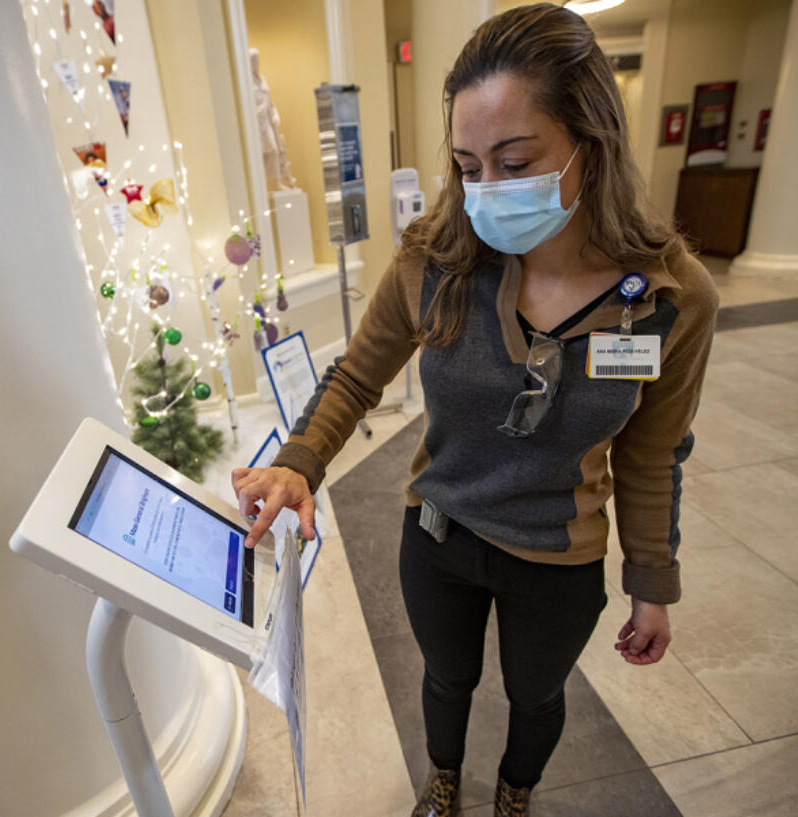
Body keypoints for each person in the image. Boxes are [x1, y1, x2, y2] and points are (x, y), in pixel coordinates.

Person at [230, 5, 718, 816]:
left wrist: (651, 579)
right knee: (444, 677)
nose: (486, 189)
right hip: (440, 536)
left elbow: (652, 453)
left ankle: (516, 794)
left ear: (590, 142)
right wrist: (298, 459)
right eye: (467, 164)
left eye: (514, 159)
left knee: (536, 695)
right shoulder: (436, 260)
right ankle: (444, 782)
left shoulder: (671, 296)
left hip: (557, 557)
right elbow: (356, 377)